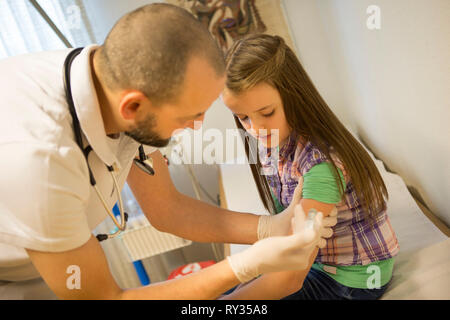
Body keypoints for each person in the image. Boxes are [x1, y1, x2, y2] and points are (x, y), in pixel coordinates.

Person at [0, 4, 338, 300]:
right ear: (133, 106)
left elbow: (168, 209)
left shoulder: (117, 75)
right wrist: (244, 265)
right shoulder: (40, 160)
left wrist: (268, 227)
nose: (196, 126)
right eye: (188, 116)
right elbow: (105, 298)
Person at [222, 34, 400, 300]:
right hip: (315, 264)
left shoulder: (320, 167)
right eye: (243, 117)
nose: (255, 129)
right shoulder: (274, 142)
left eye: (266, 113)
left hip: (351, 279)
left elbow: (290, 275)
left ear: (294, 97)